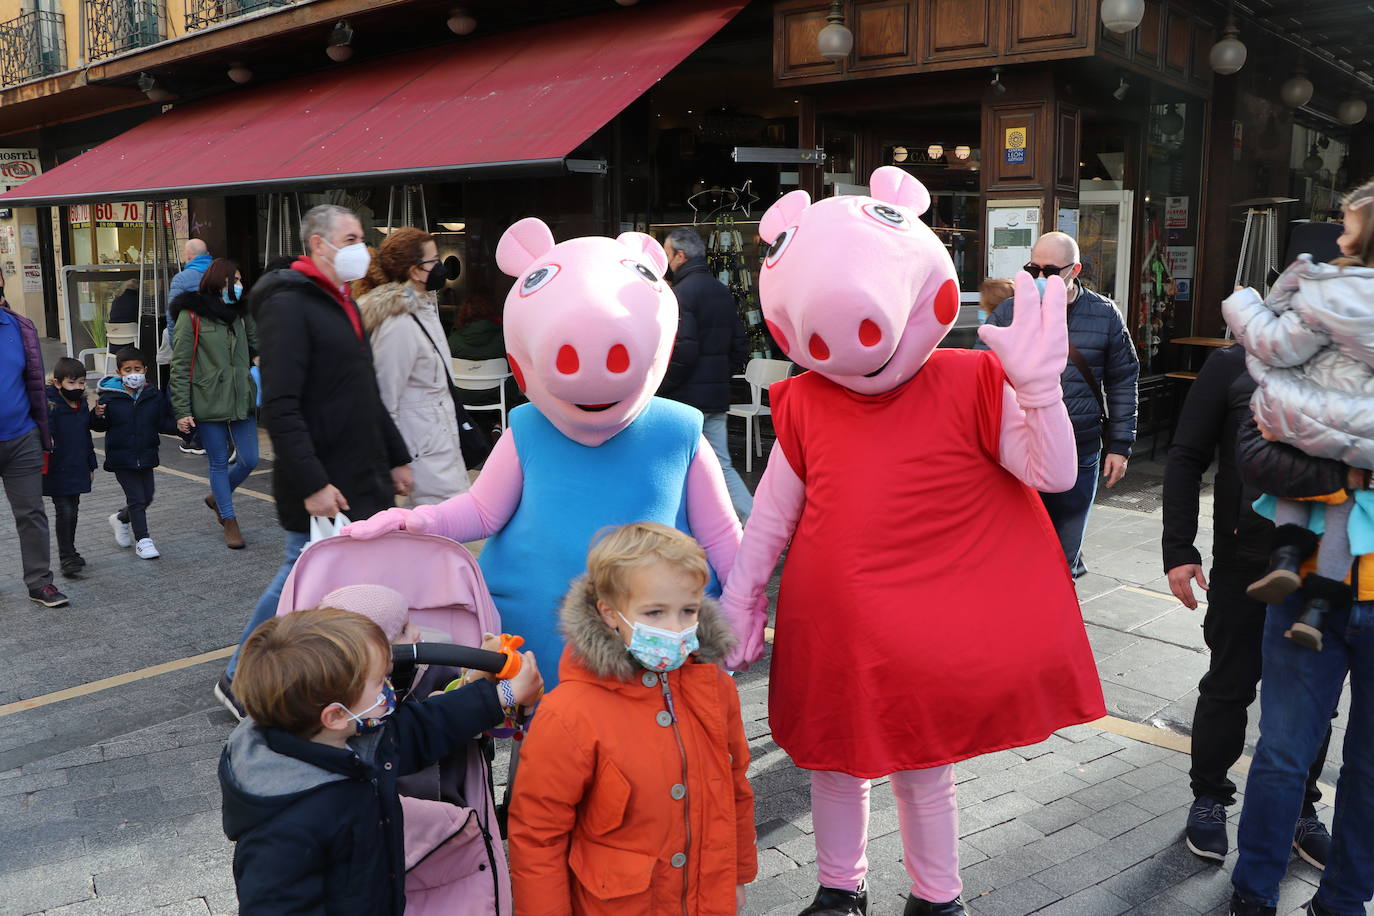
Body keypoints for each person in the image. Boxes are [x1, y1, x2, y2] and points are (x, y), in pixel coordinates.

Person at [722, 170, 1104, 916]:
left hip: (925, 624)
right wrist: (741, 597)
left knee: (921, 767)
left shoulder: (971, 380)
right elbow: (772, 513)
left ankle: (937, 896)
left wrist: (1041, 392)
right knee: (834, 762)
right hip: (833, 620)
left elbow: (1053, 475)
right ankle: (842, 886)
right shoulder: (803, 399)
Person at [214, 204, 414, 719]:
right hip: (325, 478)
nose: (361, 248)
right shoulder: (290, 304)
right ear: (319, 245)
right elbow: (279, 404)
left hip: (359, 470)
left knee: (329, 576)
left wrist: (396, 457)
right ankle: (239, 676)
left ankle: (340, 669)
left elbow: (365, 391)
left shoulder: (340, 301)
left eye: (363, 238)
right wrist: (312, 481)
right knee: (298, 572)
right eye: (351, 238)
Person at [219, 606, 542, 915]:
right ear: (334, 715)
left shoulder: (332, 736)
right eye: (379, 685)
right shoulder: (286, 828)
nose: (389, 691)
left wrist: (504, 696)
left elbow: (419, 728)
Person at [508, 522, 756, 915]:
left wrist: (737, 875)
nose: (675, 628)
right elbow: (538, 836)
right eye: (655, 612)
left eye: (687, 610)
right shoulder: (570, 713)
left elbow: (735, 782)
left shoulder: (714, 688)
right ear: (609, 613)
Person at [1162, 342, 1333, 866]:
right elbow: (1188, 454)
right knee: (1230, 683)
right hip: (1246, 556)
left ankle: (1300, 807)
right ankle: (1210, 798)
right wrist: (1179, 549)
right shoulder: (1234, 363)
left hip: (1329, 559)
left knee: (1315, 694)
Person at [1227, 413, 1374, 914]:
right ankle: (1254, 895)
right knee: (1282, 756)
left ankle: (1344, 900)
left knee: (1371, 769)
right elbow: (1254, 451)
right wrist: (1352, 472)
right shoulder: (1313, 345)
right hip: (1305, 592)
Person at [1221, 183, 1374, 652]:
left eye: (1347, 223)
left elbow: (1277, 345)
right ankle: (1318, 607)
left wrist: (1243, 302)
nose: (1339, 231)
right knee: (1344, 509)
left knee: (1292, 476)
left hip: (1310, 417)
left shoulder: (1334, 291)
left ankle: (1285, 559)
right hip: (1363, 433)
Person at [978, 230, 1139, 577]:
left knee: (1063, 556)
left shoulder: (1104, 314)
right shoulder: (1009, 311)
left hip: (1080, 450)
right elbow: (981, 374)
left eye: (1050, 271)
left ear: (1074, 270)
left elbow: (1123, 380)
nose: (1040, 278)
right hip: (1020, 450)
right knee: (1016, 552)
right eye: (1033, 268)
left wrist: (1120, 445)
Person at [355, 228, 469, 506]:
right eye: (433, 260)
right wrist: (396, 461)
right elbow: (384, 398)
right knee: (440, 535)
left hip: (439, 446)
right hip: (422, 453)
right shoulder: (399, 325)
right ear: (416, 271)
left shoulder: (423, 310)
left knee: (448, 532)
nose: (439, 266)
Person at [658, 227, 754, 520]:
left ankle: (685, 529)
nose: (665, 261)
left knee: (675, 466)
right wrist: (718, 375)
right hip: (714, 397)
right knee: (721, 465)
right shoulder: (720, 290)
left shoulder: (681, 295)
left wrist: (661, 388)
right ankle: (755, 523)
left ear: (680, 255)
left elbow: (683, 353)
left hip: (684, 399)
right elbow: (741, 344)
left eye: (667, 254)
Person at [169, 257, 260, 550]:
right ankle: (229, 518)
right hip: (207, 399)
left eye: (239, 280)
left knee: (250, 459)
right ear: (217, 282)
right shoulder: (192, 315)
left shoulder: (242, 313)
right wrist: (182, 410)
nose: (238, 285)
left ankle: (217, 497)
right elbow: (181, 365)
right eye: (232, 280)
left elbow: (257, 347)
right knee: (219, 461)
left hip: (241, 396)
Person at [0, 288, 66, 607]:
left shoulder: (19, 326)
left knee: (31, 512)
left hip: (21, 436)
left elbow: (35, 382)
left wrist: (43, 431)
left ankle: (40, 582)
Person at [90, 346, 173, 561]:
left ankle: (120, 518)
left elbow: (162, 422)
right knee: (136, 498)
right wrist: (97, 415)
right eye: (128, 369)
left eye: (137, 368)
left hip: (146, 454)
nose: (133, 373)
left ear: (146, 369)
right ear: (119, 372)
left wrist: (184, 428)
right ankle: (143, 541)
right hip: (121, 457)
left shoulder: (153, 395)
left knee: (147, 497)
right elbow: (99, 426)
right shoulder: (109, 397)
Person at [44, 357, 97, 579]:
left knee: (72, 510)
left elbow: (86, 435)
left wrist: (91, 464)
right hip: (57, 467)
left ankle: (71, 551)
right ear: (57, 383)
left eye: (81, 383)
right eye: (71, 383)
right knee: (64, 510)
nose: (77, 388)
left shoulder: (82, 403)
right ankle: (66, 557)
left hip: (77, 464)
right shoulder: (48, 404)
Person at [169, 240, 212, 456]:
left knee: (184, 388)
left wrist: (174, 344)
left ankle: (196, 438)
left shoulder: (182, 278)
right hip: (216, 345)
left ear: (187, 257)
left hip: (191, 342)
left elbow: (172, 316)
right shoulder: (216, 273)